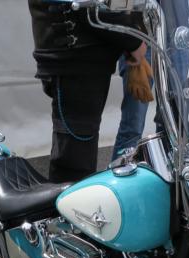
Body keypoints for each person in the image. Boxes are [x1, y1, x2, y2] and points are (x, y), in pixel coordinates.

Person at [29, 1, 146, 183]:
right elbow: (93, 6)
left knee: (77, 158)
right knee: (74, 165)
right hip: (75, 63)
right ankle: (68, 202)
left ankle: (72, 198)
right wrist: (134, 40)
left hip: (79, 62)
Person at [112, 0, 189, 158]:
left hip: (177, 37)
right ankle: (121, 169)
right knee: (133, 125)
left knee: (175, 121)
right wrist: (130, 41)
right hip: (139, 37)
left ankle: (171, 167)